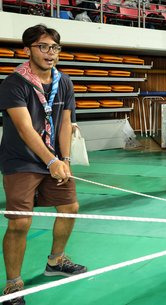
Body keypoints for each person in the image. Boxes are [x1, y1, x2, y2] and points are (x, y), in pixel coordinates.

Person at [0, 24, 88, 305]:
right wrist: (50, 160)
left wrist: (64, 159)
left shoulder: (64, 81)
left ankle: (56, 261)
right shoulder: (14, 83)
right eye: (43, 47)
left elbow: (65, 122)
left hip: (54, 158)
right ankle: (13, 284)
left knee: (69, 207)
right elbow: (25, 128)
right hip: (21, 160)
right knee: (20, 223)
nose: (50, 53)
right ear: (27, 50)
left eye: (55, 48)